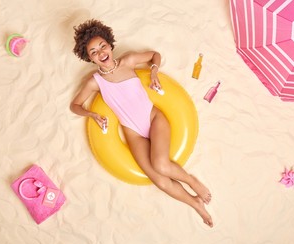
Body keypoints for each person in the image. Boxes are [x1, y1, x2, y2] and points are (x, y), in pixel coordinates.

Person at [70, 19, 213, 227]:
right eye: (93, 52)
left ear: (110, 44)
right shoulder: (94, 82)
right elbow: (74, 105)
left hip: (153, 118)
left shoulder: (128, 61)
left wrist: (153, 71)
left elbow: (155, 55)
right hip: (133, 133)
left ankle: (192, 181)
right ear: (89, 58)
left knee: (161, 164)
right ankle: (195, 203)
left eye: (102, 46)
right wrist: (91, 114)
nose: (100, 53)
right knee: (160, 180)